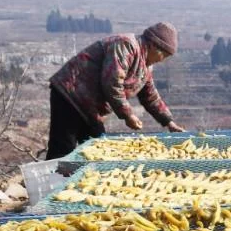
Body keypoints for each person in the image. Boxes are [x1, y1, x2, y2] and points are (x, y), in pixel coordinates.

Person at [45, 22, 184, 159]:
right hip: (71, 94)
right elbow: (112, 82)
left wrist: (168, 121)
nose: (162, 60)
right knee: (63, 149)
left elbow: (150, 96)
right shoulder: (126, 45)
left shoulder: (146, 65)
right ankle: (53, 179)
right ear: (154, 45)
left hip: (91, 107)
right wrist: (127, 114)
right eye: (163, 55)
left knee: (96, 149)